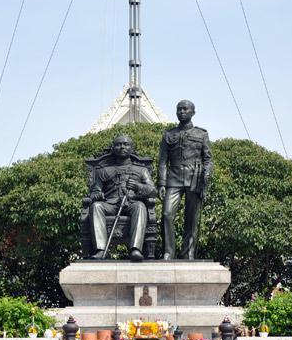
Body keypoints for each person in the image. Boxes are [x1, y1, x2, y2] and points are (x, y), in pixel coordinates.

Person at [158, 100, 213, 260]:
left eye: (185, 109)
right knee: (167, 214)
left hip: (194, 179)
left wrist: (206, 174)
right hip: (173, 179)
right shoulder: (168, 134)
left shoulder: (201, 134)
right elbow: (162, 161)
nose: (181, 112)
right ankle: (169, 252)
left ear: (192, 112)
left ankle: (188, 253)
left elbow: (208, 159)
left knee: (192, 219)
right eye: (179, 109)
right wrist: (161, 183)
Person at [89, 134, 156, 261]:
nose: (122, 147)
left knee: (140, 207)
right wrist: (98, 195)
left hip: (131, 202)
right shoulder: (104, 170)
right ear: (113, 148)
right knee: (96, 206)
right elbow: (94, 192)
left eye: (126, 144)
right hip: (111, 204)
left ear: (131, 148)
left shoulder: (141, 170)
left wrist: (138, 186)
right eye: (118, 144)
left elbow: (152, 191)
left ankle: (135, 249)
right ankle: (101, 249)